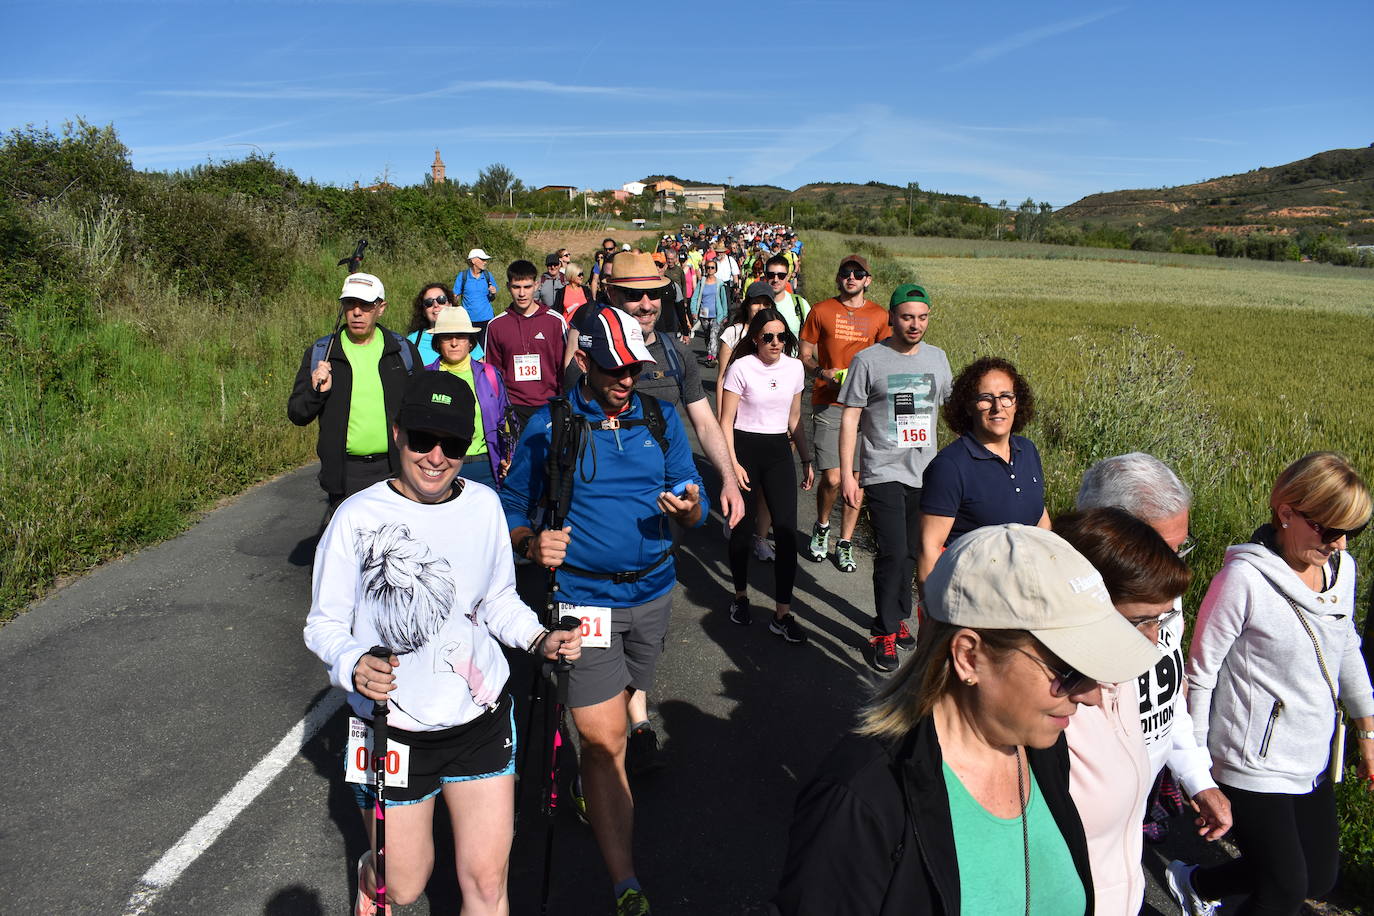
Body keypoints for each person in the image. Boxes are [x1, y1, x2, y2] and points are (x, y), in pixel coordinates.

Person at [772, 523, 1162, 916]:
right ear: (968, 657)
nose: (1092, 695)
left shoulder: (1041, 748)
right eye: (1069, 671)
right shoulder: (861, 800)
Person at [303, 370, 581, 915]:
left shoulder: (482, 507)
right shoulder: (355, 518)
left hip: (480, 722)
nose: (436, 456)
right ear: (396, 431)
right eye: (422, 439)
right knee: (405, 886)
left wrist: (540, 640)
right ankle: (372, 877)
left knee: (486, 881)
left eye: (452, 443)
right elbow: (323, 624)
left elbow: (497, 600)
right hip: (394, 732)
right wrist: (353, 662)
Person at [501, 306, 708, 916]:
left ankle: (590, 787)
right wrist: (529, 544)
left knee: (622, 706)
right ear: (584, 362)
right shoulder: (551, 424)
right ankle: (626, 882)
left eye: (635, 368)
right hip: (582, 600)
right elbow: (512, 502)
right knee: (604, 737)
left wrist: (689, 509)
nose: (627, 379)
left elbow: (693, 503)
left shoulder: (659, 416)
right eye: (615, 368)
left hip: (653, 593)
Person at [565, 253, 745, 774]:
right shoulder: (587, 346)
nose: (646, 304)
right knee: (608, 643)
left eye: (654, 295)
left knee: (644, 630)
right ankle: (630, 725)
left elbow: (704, 420)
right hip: (598, 528)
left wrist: (727, 479)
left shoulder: (673, 351)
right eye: (633, 295)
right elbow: (564, 420)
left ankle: (628, 709)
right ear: (609, 297)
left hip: (663, 520)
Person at [1172, 452, 1374, 916]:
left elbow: (1346, 648)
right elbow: (1201, 674)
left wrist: (1366, 730)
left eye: (1352, 532)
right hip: (1250, 761)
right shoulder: (1241, 580)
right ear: (1286, 513)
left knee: (1319, 878)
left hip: (1312, 754)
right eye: (1329, 530)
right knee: (1283, 890)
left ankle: (1196, 883)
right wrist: (1199, 774)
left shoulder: (1341, 572)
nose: (1340, 544)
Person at [1076, 453, 1232, 845]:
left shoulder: (1159, 596)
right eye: (1164, 550)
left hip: (1138, 796)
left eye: (1182, 547)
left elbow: (1167, 692)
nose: (1175, 567)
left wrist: (1196, 776)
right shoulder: (1064, 627)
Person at [1054, 507, 1194, 916]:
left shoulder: (1123, 679)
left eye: (1161, 619)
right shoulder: (1047, 714)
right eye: (1141, 621)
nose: (1154, 641)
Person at [837, 284, 952, 672]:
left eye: (922, 317)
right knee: (890, 551)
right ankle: (884, 631)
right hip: (883, 468)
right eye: (907, 317)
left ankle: (899, 614)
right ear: (892, 318)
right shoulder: (869, 360)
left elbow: (951, 408)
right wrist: (851, 473)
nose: (915, 324)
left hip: (926, 472)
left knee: (912, 553)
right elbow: (850, 416)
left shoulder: (938, 359)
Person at [288, 272, 423, 509]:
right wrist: (316, 392)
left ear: (381, 308)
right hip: (345, 476)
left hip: (396, 470)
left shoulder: (402, 351)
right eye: (350, 304)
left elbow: (422, 408)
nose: (357, 312)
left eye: (366, 305)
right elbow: (298, 414)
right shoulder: (324, 352)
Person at [719, 308, 814, 643]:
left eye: (782, 336)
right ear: (756, 339)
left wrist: (806, 458)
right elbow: (725, 421)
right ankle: (741, 596)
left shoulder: (794, 368)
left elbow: (795, 418)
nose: (776, 343)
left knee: (786, 532)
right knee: (741, 530)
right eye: (768, 337)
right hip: (744, 448)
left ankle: (782, 614)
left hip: (777, 452)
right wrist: (732, 464)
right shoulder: (741, 367)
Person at [918, 357, 1050, 584]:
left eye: (1006, 397)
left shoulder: (1027, 450)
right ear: (968, 407)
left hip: (1028, 589)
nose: (998, 407)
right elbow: (929, 548)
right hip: (973, 598)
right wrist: (930, 612)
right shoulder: (950, 466)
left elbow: (1042, 521)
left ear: (1017, 403)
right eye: (986, 399)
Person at [799, 254, 892, 573]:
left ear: (868, 280)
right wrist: (821, 372)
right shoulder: (821, 310)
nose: (851, 277)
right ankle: (822, 526)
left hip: (866, 407)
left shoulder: (880, 316)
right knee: (834, 478)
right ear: (838, 278)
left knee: (857, 480)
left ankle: (845, 542)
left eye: (858, 273)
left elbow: (888, 357)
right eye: (846, 273)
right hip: (829, 401)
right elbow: (805, 352)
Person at [427, 306, 512, 490]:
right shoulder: (426, 377)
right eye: (447, 337)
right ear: (438, 342)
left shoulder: (489, 374)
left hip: (486, 466)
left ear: (471, 342)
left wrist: (509, 456)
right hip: (440, 466)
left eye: (461, 336)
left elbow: (506, 421)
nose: (454, 343)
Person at [482, 259, 567, 431]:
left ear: (536, 285)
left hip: (548, 406)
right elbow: (493, 373)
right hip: (513, 408)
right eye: (516, 287)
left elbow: (564, 368)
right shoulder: (496, 325)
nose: (522, 293)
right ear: (508, 287)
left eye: (527, 287)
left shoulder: (555, 321)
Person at [454, 249, 499, 344]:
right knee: (471, 348)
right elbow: (455, 296)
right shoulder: (463, 276)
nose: (485, 262)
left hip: (487, 319)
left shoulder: (488, 275)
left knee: (486, 347)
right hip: (468, 321)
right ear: (474, 260)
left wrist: (493, 292)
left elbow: (493, 297)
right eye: (482, 259)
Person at [691, 259, 730, 366]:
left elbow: (723, 300)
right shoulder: (702, 282)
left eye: (712, 267)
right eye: (708, 267)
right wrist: (694, 311)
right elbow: (695, 297)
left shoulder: (720, 284)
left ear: (716, 270)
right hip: (704, 315)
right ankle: (711, 353)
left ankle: (711, 357)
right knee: (708, 336)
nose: (710, 270)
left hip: (716, 315)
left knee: (713, 335)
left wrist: (725, 314)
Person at [405, 282, 454, 367]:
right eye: (429, 302)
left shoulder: (465, 335)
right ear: (424, 311)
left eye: (441, 300)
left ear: (450, 305)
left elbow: (480, 372)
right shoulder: (412, 341)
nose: (435, 305)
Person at [764, 254, 810, 340]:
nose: (776, 280)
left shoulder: (800, 304)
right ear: (765, 276)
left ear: (788, 277)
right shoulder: (757, 305)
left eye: (781, 275)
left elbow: (811, 339)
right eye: (771, 275)